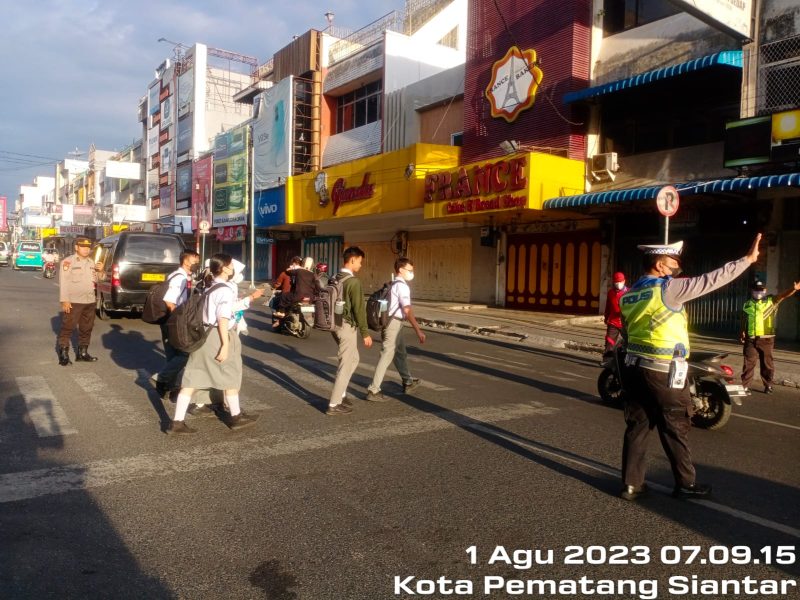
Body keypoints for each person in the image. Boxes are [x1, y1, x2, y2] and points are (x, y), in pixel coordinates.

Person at [618, 234, 761, 501]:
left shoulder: (631, 293)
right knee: (675, 424)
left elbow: (626, 333)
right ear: (660, 265)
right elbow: (711, 280)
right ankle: (685, 484)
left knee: (637, 426)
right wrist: (747, 261)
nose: (676, 271)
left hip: (634, 369)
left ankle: (631, 485)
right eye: (673, 265)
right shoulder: (667, 288)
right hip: (663, 372)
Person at [167, 254, 260, 435]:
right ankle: (235, 417)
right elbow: (223, 318)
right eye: (230, 264)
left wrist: (248, 300)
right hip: (218, 335)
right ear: (224, 268)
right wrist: (225, 344)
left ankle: (177, 422)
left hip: (203, 335)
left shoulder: (210, 286)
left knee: (192, 378)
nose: (233, 267)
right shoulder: (225, 290)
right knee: (231, 375)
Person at [366, 257, 426, 401]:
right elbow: (407, 309)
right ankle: (373, 390)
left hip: (394, 323)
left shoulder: (393, 284)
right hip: (393, 324)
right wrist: (418, 330)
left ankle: (408, 382)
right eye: (409, 270)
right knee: (387, 354)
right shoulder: (402, 286)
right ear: (401, 270)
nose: (412, 273)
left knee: (400, 353)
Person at [326, 246, 373, 415]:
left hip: (335, 324)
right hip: (347, 326)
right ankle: (334, 404)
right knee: (346, 364)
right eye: (360, 262)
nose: (360, 265)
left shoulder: (334, 277)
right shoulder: (353, 282)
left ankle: (342, 393)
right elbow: (359, 309)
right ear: (352, 260)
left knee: (354, 359)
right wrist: (365, 333)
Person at [151, 250, 200, 399]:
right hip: (173, 320)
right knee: (185, 354)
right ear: (185, 261)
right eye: (194, 260)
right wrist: (176, 320)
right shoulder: (179, 278)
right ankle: (161, 378)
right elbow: (169, 300)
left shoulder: (180, 275)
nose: (197, 263)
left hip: (170, 320)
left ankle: (168, 387)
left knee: (173, 355)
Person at [739, 278, 800, 394]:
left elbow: (783, 295)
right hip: (750, 339)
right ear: (751, 290)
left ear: (765, 290)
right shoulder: (747, 304)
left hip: (766, 339)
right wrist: (742, 331)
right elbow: (745, 319)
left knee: (767, 364)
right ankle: (745, 386)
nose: (758, 292)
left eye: (761, 290)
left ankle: (768, 385)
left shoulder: (771, 301)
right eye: (756, 290)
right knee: (748, 364)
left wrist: (793, 289)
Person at [57, 237, 102, 365]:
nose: (86, 249)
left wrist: (101, 271)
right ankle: (64, 355)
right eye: (83, 247)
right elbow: (64, 282)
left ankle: (82, 353)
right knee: (68, 327)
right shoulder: (68, 262)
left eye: (88, 247)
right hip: (74, 301)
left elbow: (98, 280)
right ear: (76, 247)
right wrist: (65, 300)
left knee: (86, 328)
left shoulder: (92, 262)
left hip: (90, 301)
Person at [603, 271, 627, 357]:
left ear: (624, 281)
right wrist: (606, 317)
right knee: (609, 342)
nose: (618, 284)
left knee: (628, 343)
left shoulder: (629, 292)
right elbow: (608, 306)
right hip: (613, 322)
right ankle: (607, 360)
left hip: (626, 323)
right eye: (616, 282)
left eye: (620, 281)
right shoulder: (610, 293)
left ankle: (626, 362)